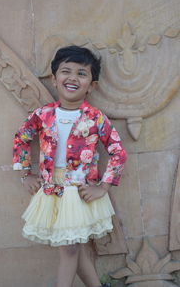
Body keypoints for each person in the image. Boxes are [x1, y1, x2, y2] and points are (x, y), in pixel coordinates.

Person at [13, 45, 127, 287]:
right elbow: (21, 138)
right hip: (52, 189)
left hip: (80, 192)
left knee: (71, 249)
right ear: (55, 79)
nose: (73, 78)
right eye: (66, 71)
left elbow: (118, 152)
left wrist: (103, 188)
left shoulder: (96, 118)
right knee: (73, 248)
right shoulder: (42, 115)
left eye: (82, 73)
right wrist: (26, 174)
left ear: (92, 85)